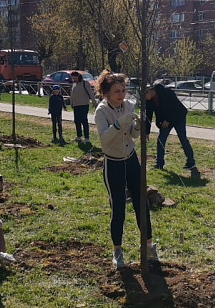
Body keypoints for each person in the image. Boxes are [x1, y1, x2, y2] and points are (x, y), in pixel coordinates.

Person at [94, 70, 158, 269]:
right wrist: (119, 123)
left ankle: (148, 245)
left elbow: (134, 136)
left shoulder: (129, 105)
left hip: (130, 160)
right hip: (113, 163)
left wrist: (139, 126)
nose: (121, 95)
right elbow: (105, 141)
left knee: (142, 203)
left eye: (123, 90)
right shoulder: (101, 111)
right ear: (106, 93)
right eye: (116, 92)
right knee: (119, 207)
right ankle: (117, 251)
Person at [144, 81, 197, 170]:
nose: (144, 98)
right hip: (165, 122)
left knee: (183, 138)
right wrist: (147, 131)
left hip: (178, 117)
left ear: (149, 91)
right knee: (161, 140)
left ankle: (191, 162)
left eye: (144, 95)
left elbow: (176, 108)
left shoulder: (166, 92)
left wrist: (168, 120)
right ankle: (159, 163)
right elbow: (148, 115)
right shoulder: (149, 101)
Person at [70, 71, 96, 144]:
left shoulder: (85, 83)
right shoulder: (74, 84)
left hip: (84, 105)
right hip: (76, 106)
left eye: (74, 77)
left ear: (77, 76)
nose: (73, 79)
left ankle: (87, 138)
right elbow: (72, 95)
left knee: (84, 121)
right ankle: (78, 136)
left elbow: (91, 93)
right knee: (77, 121)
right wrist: (71, 103)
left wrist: (94, 102)